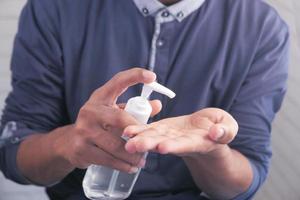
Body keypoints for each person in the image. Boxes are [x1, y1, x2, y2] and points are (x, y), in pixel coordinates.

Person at [0, 0, 289, 199]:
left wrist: (211, 152)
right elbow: (14, 153)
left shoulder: (262, 29)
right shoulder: (56, 8)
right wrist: (70, 143)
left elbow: (247, 178)